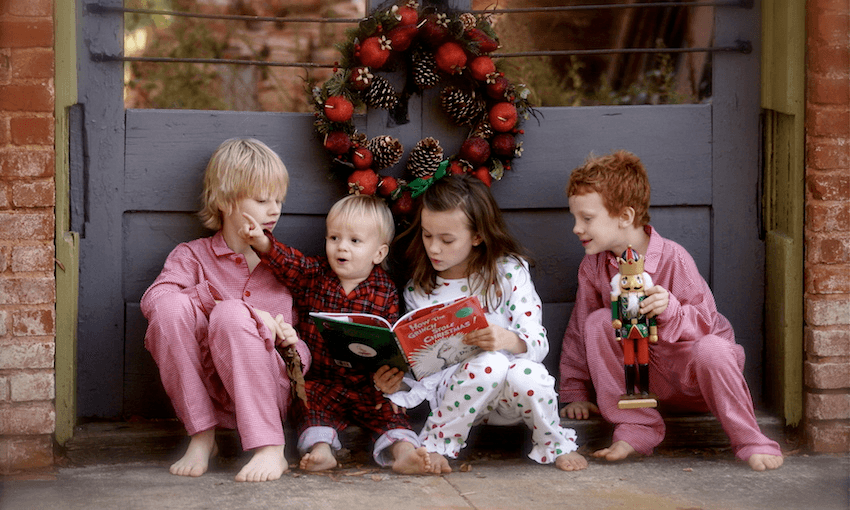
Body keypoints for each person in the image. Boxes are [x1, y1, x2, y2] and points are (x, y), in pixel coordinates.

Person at [558, 150, 784, 471]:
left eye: (587, 219)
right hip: (641, 382)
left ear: (625, 216)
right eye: (575, 218)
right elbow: (580, 329)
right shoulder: (594, 266)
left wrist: (671, 309)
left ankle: (751, 439)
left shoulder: (673, 258)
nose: (576, 228)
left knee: (712, 348)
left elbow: (706, 324)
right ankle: (637, 426)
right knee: (597, 321)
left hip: (693, 381)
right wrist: (576, 390)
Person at [377, 174, 587, 474]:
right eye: (427, 235)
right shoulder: (421, 290)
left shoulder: (509, 273)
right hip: (457, 397)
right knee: (489, 364)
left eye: (447, 240)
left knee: (529, 374)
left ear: (477, 236)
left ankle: (555, 443)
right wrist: (398, 382)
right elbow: (421, 367)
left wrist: (507, 339)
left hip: (513, 397)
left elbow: (538, 341)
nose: (433, 248)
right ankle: (437, 444)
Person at [140, 138, 311, 482]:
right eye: (262, 200)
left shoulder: (285, 264)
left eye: (278, 200)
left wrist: (283, 336)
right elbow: (154, 302)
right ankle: (202, 436)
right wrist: (221, 303)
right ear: (225, 201)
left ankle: (270, 447)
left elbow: (303, 351)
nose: (274, 210)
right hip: (207, 389)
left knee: (232, 317)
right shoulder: (192, 256)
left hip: (268, 386)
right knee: (173, 307)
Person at [240, 193, 432, 474]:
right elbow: (288, 262)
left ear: (379, 253)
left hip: (368, 385)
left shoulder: (385, 289)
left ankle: (403, 451)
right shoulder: (315, 275)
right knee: (307, 400)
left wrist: (390, 378)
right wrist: (260, 241)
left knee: (390, 408)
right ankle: (321, 450)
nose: (341, 246)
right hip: (324, 382)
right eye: (334, 238)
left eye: (355, 241)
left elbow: (391, 343)